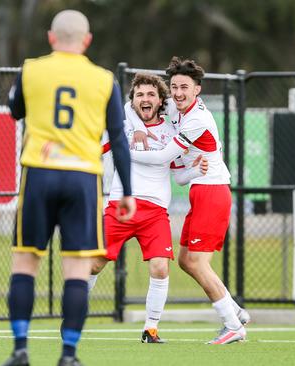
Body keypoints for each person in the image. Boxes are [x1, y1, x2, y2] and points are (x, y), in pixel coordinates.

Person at [3, 10, 136, 366]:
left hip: (39, 173)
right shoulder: (105, 79)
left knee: (25, 264)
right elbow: (119, 139)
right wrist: (127, 191)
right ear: (87, 40)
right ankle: (68, 355)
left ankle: (20, 350)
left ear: (51, 38)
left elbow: (14, 109)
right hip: (82, 178)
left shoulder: (31, 69)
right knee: (76, 270)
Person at [129, 57, 250, 344]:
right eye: (174, 87)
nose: (178, 93)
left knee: (196, 263)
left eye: (185, 87)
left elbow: (160, 157)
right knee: (185, 260)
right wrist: (135, 126)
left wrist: (124, 152)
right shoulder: (174, 106)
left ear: (197, 90)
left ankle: (233, 325)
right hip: (200, 190)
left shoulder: (197, 119)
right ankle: (236, 311)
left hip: (213, 192)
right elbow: (130, 105)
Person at [88, 73, 208, 344]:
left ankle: (150, 329)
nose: (145, 98)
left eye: (151, 94)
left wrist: (194, 171)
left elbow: (178, 175)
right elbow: (95, 150)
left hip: (154, 212)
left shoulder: (171, 132)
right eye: (140, 94)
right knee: (93, 266)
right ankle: (74, 315)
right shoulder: (120, 128)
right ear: (133, 100)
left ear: (160, 100)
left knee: (160, 268)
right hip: (120, 206)